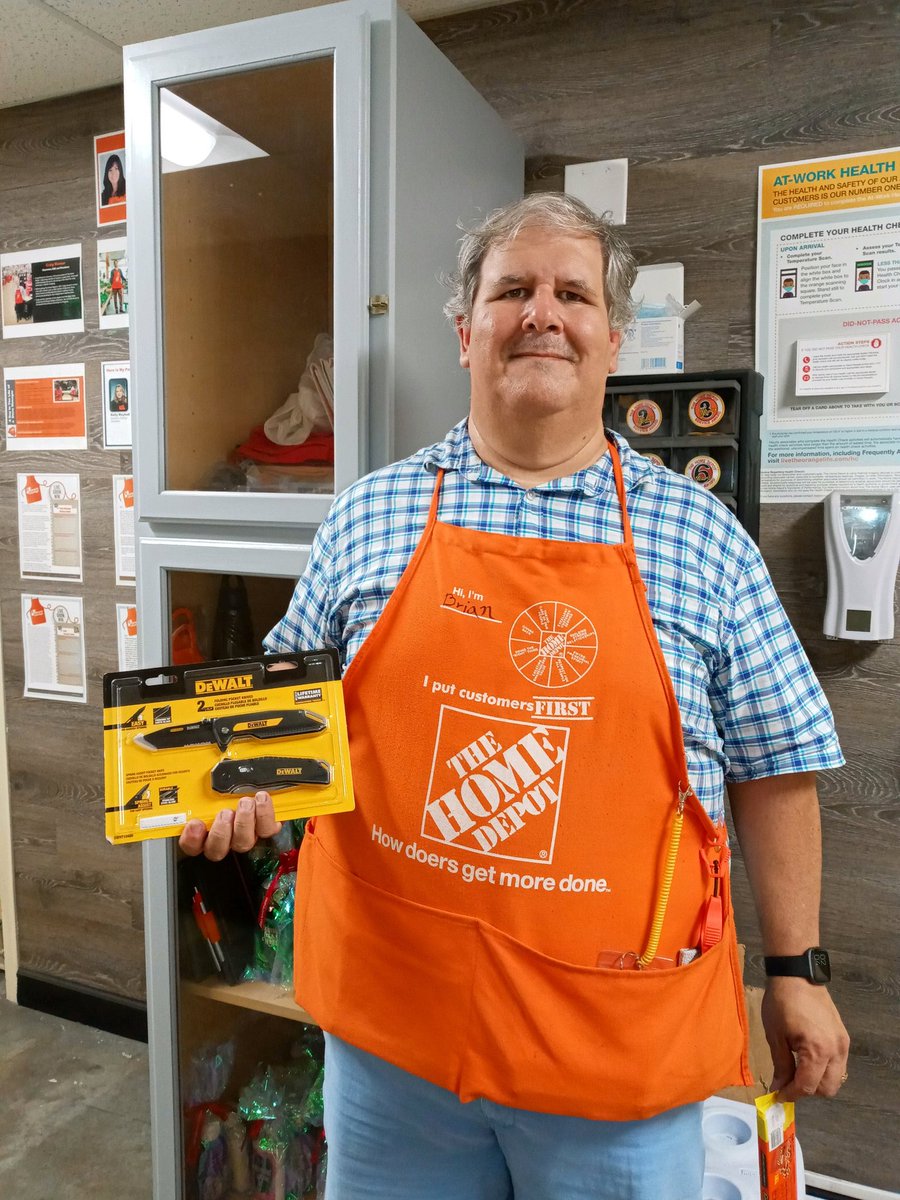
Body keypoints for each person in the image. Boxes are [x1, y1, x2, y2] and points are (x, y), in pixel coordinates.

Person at [180, 193, 849, 1200]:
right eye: (513, 291)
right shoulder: (370, 516)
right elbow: (272, 713)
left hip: (615, 1058)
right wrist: (222, 784)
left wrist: (798, 972)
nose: (544, 313)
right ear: (464, 329)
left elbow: (777, 764)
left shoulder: (702, 540)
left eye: (573, 293)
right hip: (392, 1047)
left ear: (612, 338)